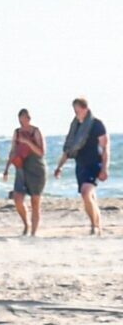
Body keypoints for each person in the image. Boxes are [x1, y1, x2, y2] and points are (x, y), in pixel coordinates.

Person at [53, 97, 109, 236]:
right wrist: (59, 167)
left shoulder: (97, 124)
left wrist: (104, 168)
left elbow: (105, 147)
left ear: (85, 109)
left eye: (78, 110)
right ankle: (96, 225)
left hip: (94, 164)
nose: (76, 113)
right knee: (89, 197)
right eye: (74, 111)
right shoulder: (75, 126)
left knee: (86, 193)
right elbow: (69, 149)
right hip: (81, 165)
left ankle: (95, 226)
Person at [9, 109, 48, 237]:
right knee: (18, 198)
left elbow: (41, 152)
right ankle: (26, 224)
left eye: (27, 117)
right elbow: (13, 150)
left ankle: (34, 232)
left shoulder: (36, 131)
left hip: (36, 167)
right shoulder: (17, 132)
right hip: (21, 168)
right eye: (23, 118)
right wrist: (7, 167)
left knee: (35, 201)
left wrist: (28, 143)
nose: (26, 120)